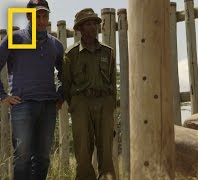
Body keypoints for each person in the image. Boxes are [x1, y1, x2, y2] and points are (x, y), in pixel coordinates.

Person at [0, 0, 64, 179]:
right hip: (22, 105)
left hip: (48, 108)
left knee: (43, 158)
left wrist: (61, 93)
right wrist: (3, 96)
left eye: (45, 16)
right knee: (23, 158)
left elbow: (65, 73)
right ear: (28, 16)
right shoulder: (15, 39)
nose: (42, 21)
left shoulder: (56, 44)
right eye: (37, 16)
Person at [62, 8, 116, 180]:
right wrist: (76, 105)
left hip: (104, 101)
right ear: (79, 29)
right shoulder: (70, 54)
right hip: (81, 102)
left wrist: (109, 103)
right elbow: (66, 84)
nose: (93, 27)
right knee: (83, 150)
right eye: (88, 24)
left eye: (95, 23)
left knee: (106, 150)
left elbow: (112, 82)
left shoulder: (108, 52)